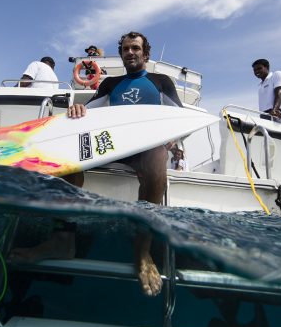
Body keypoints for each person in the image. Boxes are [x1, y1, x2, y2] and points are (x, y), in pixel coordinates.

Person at [11, 31, 182, 297]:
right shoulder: (110, 83)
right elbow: (90, 111)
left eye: (135, 48)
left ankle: (142, 249)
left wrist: (172, 138)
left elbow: (179, 117)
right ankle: (63, 240)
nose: (130, 53)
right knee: (69, 157)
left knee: (156, 157)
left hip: (146, 146)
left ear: (145, 54)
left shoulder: (161, 81)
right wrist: (78, 110)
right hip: (112, 144)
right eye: (126, 49)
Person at [252, 58, 281, 124]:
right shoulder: (260, 86)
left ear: (267, 67)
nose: (256, 71)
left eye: (259, 68)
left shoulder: (276, 75)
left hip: (277, 112)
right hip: (263, 115)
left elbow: (279, 92)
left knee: (276, 134)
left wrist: (275, 109)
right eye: (254, 70)